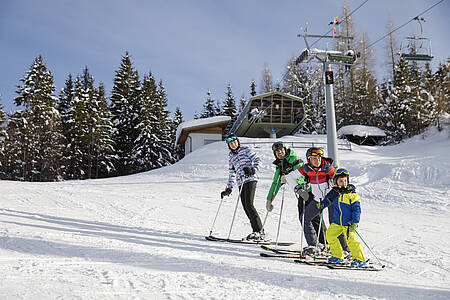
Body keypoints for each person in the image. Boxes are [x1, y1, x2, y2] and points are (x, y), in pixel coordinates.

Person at [288, 147, 350, 255]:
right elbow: (289, 177)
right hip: (318, 200)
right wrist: (298, 189)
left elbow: (340, 181)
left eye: (319, 158)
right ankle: (313, 245)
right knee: (304, 218)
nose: (317, 161)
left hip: (331, 199)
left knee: (334, 223)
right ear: (309, 160)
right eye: (314, 158)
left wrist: (333, 183)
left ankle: (345, 250)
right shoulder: (306, 169)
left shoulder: (328, 168)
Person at [265, 142, 325, 245]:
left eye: (281, 150)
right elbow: (276, 183)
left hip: (310, 191)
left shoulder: (294, 160)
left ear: (285, 150)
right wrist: (269, 200)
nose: (280, 152)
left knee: (315, 218)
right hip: (301, 194)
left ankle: (325, 243)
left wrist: (290, 181)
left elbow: (302, 177)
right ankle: (315, 244)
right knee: (303, 218)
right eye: (277, 151)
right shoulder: (280, 166)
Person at [220, 134, 265, 241]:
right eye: (231, 143)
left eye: (234, 142)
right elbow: (232, 173)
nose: (233, 144)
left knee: (249, 204)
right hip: (241, 182)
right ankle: (256, 231)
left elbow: (258, 160)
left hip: (250, 179)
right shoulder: (231, 157)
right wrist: (229, 188)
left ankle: (259, 232)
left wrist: (253, 170)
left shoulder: (245, 150)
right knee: (245, 206)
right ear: (229, 146)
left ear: (238, 142)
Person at [318, 168, 366, 267]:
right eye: (341, 181)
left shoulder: (352, 194)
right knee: (330, 235)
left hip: (348, 223)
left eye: (345, 180)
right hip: (337, 222)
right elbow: (327, 200)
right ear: (336, 181)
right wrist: (322, 205)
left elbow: (357, 209)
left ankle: (360, 259)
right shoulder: (334, 192)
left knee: (352, 241)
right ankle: (338, 256)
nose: (343, 183)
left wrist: (355, 222)